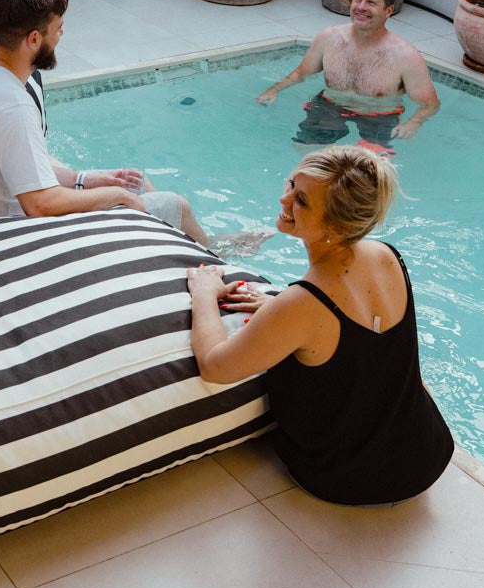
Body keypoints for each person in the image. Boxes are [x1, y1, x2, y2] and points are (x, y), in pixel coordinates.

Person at [187, 146, 453, 506]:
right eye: (290, 184)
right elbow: (358, 338)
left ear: (337, 226)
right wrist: (281, 310)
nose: (283, 200)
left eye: (301, 200)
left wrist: (204, 293)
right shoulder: (386, 255)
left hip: (347, 479)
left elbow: (215, 367)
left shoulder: (303, 303)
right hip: (429, 453)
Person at [0, 0, 210, 245]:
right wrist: (117, 196)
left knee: (137, 184)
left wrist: (84, 180)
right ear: (34, 39)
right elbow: (40, 204)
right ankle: (215, 258)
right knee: (177, 206)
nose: (61, 35)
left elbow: (22, 171)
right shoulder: (12, 105)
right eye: (58, 28)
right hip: (13, 238)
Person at [256, 0, 440, 156]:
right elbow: (300, 73)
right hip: (330, 106)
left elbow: (430, 104)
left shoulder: (405, 56)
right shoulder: (329, 38)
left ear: (389, 11)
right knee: (306, 152)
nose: (361, 7)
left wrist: (413, 123)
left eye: (371, 3)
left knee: (371, 165)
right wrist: (274, 89)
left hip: (378, 116)